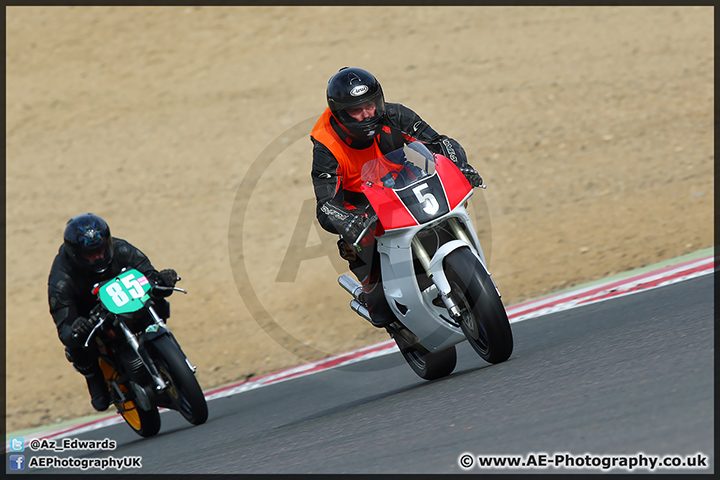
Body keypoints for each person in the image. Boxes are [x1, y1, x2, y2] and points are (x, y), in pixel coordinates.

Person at [310, 67, 483, 328]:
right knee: (380, 304)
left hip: (400, 180)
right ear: (340, 114)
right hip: (360, 201)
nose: (367, 114)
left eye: (370, 105)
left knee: (447, 200)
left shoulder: (393, 114)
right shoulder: (326, 144)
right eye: (356, 110)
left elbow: (438, 142)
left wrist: (461, 166)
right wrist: (347, 220)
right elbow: (325, 204)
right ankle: (373, 292)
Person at [47, 213, 179, 411]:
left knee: (157, 303)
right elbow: (64, 328)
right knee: (77, 344)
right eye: (90, 254)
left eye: (101, 250)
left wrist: (163, 281)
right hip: (90, 313)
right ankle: (94, 378)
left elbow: (149, 276)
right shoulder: (61, 278)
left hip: (125, 301)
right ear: (75, 254)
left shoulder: (122, 248)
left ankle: (164, 352)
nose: (99, 257)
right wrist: (78, 326)